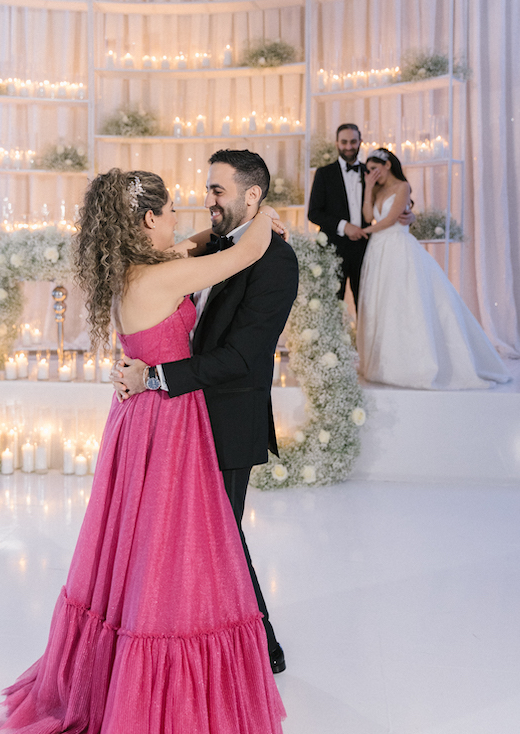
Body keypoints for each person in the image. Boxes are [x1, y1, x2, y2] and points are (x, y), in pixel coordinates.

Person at [0, 169, 287, 734]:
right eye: (172, 211)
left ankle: (116, 676)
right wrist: (263, 213)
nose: (180, 220)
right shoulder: (161, 277)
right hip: (169, 423)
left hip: (137, 421)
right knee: (170, 552)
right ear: (148, 220)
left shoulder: (132, 273)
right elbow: (249, 250)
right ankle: (157, 700)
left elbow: (191, 252)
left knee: (131, 548)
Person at [112, 150, 299, 675]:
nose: (207, 199)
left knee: (223, 540)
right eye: (207, 188)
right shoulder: (217, 246)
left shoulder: (275, 259)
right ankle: (215, 646)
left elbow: (243, 357)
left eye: (217, 190)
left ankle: (263, 650)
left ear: (252, 195)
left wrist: (154, 377)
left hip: (224, 419)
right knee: (200, 542)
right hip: (180, 418)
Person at [357, 148, 510, 389]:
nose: (372, 174)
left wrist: (363, 232)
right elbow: (368, 215)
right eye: (369, 171)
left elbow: (389, 219)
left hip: (397, 248)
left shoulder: (402, 187)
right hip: (378, 250)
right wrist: (367, 188)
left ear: (387, 165)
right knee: (381, 302)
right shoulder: (377, 189)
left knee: (403, 300)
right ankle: (380, 363)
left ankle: (414, 363)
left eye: (375, 169)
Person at [307, 123, 414, 308]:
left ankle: (362, 337)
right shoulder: (324, 174)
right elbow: (314, 213)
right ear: (337, 143)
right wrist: (344, 226)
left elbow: (396, 200)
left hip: (366, 248)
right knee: (330, 302)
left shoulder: (372, 171)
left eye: (353, 142)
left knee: (367, 304)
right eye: (344, 142)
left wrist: (411, 216)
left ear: (360, 142)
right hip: (333, 247)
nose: (349, 147)